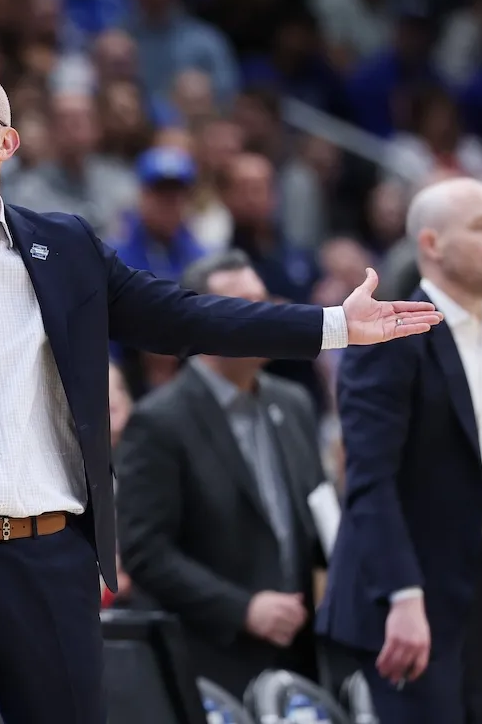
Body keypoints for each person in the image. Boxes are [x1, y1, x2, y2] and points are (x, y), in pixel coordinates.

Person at [0, 60, 440, 724]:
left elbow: (184, 317)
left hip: (48, 564)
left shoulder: (65, 248)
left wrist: (333, 325)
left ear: (7, 143)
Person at [317, 177, 482, 724]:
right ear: (431, 244)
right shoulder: (389, 336)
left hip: (480, 596)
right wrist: (403, 595)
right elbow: (369, 480)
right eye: (481, 228)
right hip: (405, 602)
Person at [115, 249, 329, 698]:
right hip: (212, 660)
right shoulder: (160, 421)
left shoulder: (293, 404)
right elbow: (145, 551)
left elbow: (318, 515)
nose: (261, 317)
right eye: (243, 305)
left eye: (263, 302)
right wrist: (242, 609)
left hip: (300, 653)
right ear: (202, 321)